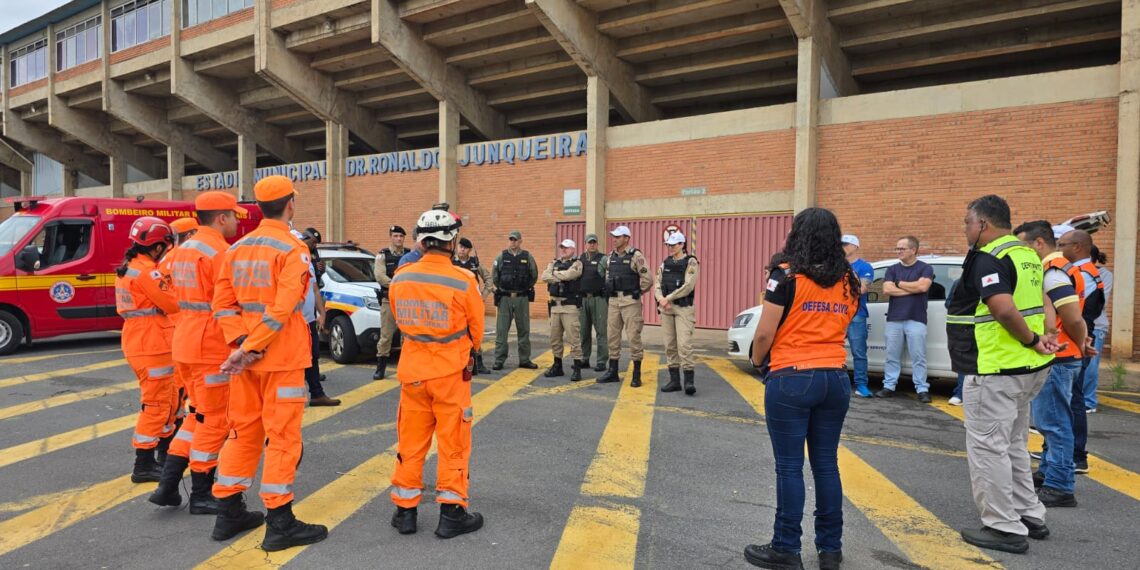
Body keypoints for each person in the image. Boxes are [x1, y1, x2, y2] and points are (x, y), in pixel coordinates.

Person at [209, 175, 328, 550]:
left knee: (242, 433)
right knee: (282, 439)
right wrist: (254, 345)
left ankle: (228, 512)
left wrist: (241, 343)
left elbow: (222, 304)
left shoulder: (237, 247)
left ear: (260, 207)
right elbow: (284, 306)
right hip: (281, 358)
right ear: (290, 204)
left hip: (247, 360)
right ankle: (280, 523)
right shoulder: (292, 249)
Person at [742, 208, 859, 570]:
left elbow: (764, 332)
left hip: (792, 375)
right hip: (835, 377)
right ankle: (830, 549)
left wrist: (761, 361)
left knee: (789, 467)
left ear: (798, 235)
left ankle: (786, 548)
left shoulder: (786, 275)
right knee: (826, 464)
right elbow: (842, 323)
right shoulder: (848, 280)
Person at [949, 195, 1059, 555]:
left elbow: (1000, 306)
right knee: (1012, 443)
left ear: (983, 224)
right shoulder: (1027, 254)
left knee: (988, 449)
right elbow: (1044, 302)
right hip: (1027, 369)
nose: (965, 228)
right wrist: (1046, 337)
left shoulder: (990, 256)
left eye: (967, 222)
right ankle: (1029, 515)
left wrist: (1030, 339)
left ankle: (1002, 526)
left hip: (996, 368)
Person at [388, 209, 485, 539]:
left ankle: (405, 513)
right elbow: (477, 330)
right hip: (450, 376)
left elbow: (401, 323)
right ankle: (451, 514)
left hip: (412, 373)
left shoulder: (401, 278)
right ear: (452, 240)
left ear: (422, 240)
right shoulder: (464, 280)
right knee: (453, 444)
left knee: (411, 444)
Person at [148, 192, 247, 515]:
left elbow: (167, 288)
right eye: (234, 215)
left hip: (185, 341)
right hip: (211, 344)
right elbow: (232, 299)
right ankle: (202, 491)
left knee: (197, 414)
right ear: (221, 218)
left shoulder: (181, 250)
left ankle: (168, 483)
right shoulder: (219, 251)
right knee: (215, 419)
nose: (236, 221)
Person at [1014, 220, 1090, 508]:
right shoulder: (1061, 269)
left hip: (1058, 355)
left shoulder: (1054, 271)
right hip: (1063, 352)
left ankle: (1060, 484)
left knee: (1054, 423)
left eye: (1023, 245)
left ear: (1038, 244)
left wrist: (1080, 342)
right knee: (1055, 421)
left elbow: (1071, 317)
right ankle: (1049, 472)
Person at [115, 217, 180, 484]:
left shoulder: (130, 268)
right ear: (156, 247)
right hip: (152, 343)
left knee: (168, 397)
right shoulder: (148, 272)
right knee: (156, 402)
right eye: (165, 245)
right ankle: (143, 464)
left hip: (142, 340)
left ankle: (164, 454)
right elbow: (172, 303)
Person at [1059, 228, 1106, 475]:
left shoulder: (1081, 273)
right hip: (1080, 339)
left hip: (1077, 342)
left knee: (1072, 398)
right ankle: (1064, 452)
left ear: (1076, 247)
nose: (1059, 249)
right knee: (1070, 397)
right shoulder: (1090, 272)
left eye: (1062, 244)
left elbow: (1074, 314)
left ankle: (1076, 455)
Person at [875, 236, 935, 402]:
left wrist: (899, 284)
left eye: (902, 248)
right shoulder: (892, 269)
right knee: (891, 355)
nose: (898, 251)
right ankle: (889, 386)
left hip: (916, 318)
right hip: (894, 318)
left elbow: (923, 286)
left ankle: (922, 389)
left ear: (913, 250)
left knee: (919, 356)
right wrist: (913, 289)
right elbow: (887, 290)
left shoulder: (925, 268)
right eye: (897, 248)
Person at [597, 226, 653, 386]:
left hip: (630, 302)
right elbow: (608, 275)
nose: (614, 239)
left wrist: (637, 292)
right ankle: (613, 371)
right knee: (612, 337)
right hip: (614, 302)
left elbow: (648, 279)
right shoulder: (610, 256)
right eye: (613, 237)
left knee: (633, 337)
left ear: (627, 238)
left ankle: (636, 374)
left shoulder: (636, 255)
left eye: (618, 237)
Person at [296, 230, 340, 407]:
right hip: (294, 321)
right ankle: (300, 395)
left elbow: (314, 289)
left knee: (313, 356)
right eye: (309, 242)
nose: (311, 245)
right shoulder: (292, 258)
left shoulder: (308, 261)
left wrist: (321, 313)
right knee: (299, 359)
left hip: (309, 320)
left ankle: (316, 393)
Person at [655, 231, 700, 395]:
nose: (670, 248)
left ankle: (689, 381)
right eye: (668, 245)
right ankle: (674, 381)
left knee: (684, 345)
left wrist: (669, 297)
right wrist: (660, 298)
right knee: (670, 345)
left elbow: (688, 285)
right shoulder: (665, 263)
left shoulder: (691, 262)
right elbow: (657, 283)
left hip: (683, 309)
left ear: (682, 245)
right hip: (666, 308)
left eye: (673, 245)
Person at [491, 231, 538, 370]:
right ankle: (499, 360)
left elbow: (534, 275)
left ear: (520, 241)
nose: (513, 242)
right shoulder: (501, 256)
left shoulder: (527, 256)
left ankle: (524, 359)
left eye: (515, 240)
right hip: (505, 299)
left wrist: (525, 288)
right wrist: (501, 288)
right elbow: (495, 275)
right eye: (511, 240)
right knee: (502, 330)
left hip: (521, 299)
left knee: (524, 330)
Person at [541, 239, 585, 381]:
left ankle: (577, 368)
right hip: (555, 306)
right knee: (555, 338)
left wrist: (555, 275)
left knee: (574, 339)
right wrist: (559, 276)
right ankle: (557, 366)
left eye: (566, 248)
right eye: (562, 247)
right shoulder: (554, 262)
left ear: (573, 249)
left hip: (570, 306)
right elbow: (544, 276)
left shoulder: (577, 263)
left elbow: (571, 275)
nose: (563, 250)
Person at [453, 237, 492, 375]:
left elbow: (489, 279)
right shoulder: (451, 263)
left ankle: (478, 362)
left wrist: (483, 295)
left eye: (465, 248)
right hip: (455, 304)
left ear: (469, 250)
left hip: (472, 304)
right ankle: (457, 362)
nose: (462, 249)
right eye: (460, 247)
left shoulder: (475, 263)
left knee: (475, 331)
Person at [841, 235, 874, 398]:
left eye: (846, 245)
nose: (842, 247)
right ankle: (838, 382)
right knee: (834, 349)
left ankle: (861, 384)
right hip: (837, 314)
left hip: (856, 315)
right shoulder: (836, 266)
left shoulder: (865, 266)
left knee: (858, 352)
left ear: (855, 247)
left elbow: (861, 289)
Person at [374, 225, 408, 380]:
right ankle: (380, 368)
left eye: (401, 236)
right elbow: (380, 277)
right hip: (389, 300)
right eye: (396, 236)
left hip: (406, 302)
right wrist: (399, 284)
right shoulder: (382, 256)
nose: (399, 239)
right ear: (390, 237)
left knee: (407, 336)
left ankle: (405, 367)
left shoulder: (410, 254)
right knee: (386, 336)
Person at [1084, 245, 1112, 412]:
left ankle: (1088, 401)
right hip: (1078, 323)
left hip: (1096, 325)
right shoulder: (1075, 271)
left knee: (1091, 365)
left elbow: (1100, 303)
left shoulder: (1104, 275)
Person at [578, 234, 609, 372]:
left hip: (598, 299)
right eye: (589, 242)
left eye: (594, 243)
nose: (592, 245)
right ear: (585, 244)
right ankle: (584, 358)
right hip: (583, 299)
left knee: (601, 331)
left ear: (597, 244)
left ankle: (601, 361)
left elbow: (608, 277)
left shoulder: (603, 259)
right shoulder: (580, 259)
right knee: (583, 331)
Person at [945, 278, 966, 406]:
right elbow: (948, 303)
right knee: (964, 362)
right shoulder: (960, 282)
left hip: (986, 330)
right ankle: (960, 393)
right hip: (963, 329)